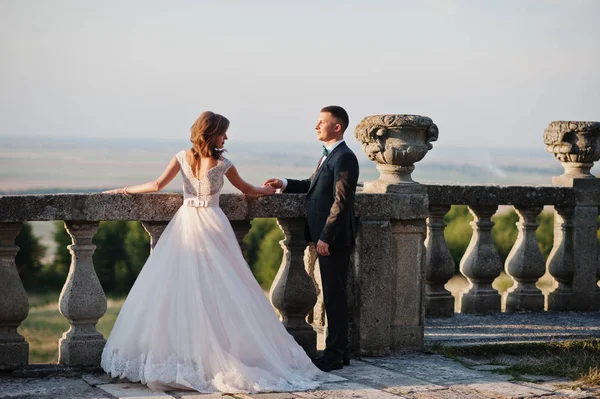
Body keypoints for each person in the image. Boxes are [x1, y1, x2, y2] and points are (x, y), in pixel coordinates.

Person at [101, 111, 322, 393]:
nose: (226, 138)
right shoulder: (222, 164)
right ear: (211, 134)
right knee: (223, 285)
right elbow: (246, 190)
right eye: (223, 133)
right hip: (212, 225)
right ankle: (212, 353)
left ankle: (190, 355)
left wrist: (124, 190)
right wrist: (268, 191)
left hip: (186, 223)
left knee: (181, 287)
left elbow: (156, 185)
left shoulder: (182, 157)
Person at [264, 105, 359, 372]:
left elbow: (342, 203)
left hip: (334, 240)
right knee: (332, 295)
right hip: (325, 237)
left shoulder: (345, 158)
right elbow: (313, 185)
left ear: (337, 127)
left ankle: (335, 354)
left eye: (322, 122)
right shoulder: (331, 156)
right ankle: (339, 353)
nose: (316, 126)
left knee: (334, 297)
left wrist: (326, 237)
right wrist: (283, 184)